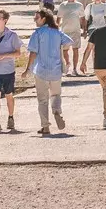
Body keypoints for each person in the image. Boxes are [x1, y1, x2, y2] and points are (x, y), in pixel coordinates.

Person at [22, 8, 71, 136]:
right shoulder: (57, 32)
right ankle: (56, 111)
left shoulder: (37, 33)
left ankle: (45, 126)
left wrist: (27, 69)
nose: (35, 20)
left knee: (42, 100)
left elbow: (33, 52)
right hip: (55, 70)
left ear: (44, 19)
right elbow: (68, 42)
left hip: (41, 71)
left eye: (36, 17)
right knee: (56, 95)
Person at [58, 0, 86, 75]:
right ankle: (67, 63)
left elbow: (83, 18)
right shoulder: (63, 5)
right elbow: (58, 18)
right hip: (65, 31)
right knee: (65, 50)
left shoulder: (79, 5)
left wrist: (84, 30)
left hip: (76, 30)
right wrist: (55, 29)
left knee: (75, 49)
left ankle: (74, 69)